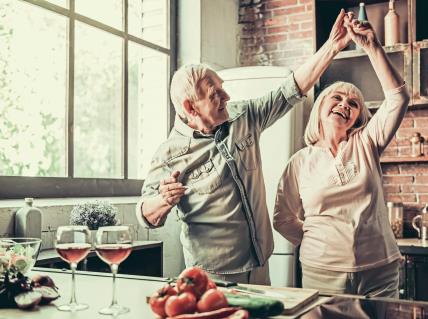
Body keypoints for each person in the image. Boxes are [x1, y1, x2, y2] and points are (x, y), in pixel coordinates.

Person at [136, 10, 353, 284]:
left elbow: (290, 89)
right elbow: (146, 215)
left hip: (260, 262)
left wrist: (332, 47)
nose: (227, 96)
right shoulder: (169, 154)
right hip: (213, 275)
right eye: (215, 93)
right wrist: (163, 200)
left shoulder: (242, 116)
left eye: (222, 88)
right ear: (190, 108)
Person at [273, 17, 410, 297]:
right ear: (321, 106)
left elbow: (397, 98)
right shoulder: (300, 161)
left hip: (379, 271)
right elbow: (283, 219)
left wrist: (372, 46)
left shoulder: (367, 142)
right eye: (337, 97)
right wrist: (319, 241)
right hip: (320, 272)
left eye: (353, 103)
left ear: (358, 116)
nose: (344, 104)